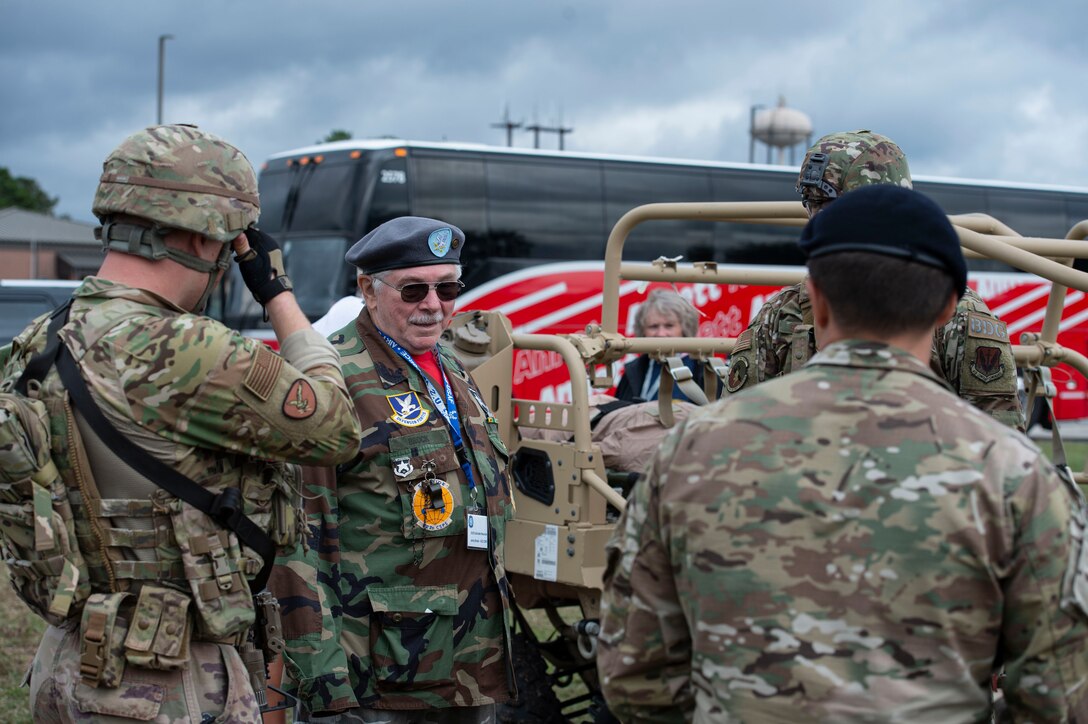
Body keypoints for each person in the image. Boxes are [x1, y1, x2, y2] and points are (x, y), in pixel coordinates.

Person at [597, 184, 1088, 721]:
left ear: (818, 298)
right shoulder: (1014, 473)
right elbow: (1060, 695)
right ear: (949, 305)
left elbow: (635, 675)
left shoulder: (691, 449)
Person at [0, 124, 363, 722]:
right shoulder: (188, 349)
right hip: (169, 679)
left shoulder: (38, 340)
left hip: (70, 660)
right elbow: (337, 426)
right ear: (201, 237)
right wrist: (276, 292)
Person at [272, 216, 515, 721]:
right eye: (413, 289)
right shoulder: (332, 380)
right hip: (376, 677)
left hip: (468, 661)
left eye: (448, 288)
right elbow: (296, 545)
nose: (434, 305)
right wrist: (325, 684)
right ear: (368, 289)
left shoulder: (449, 365)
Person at [726, 130, 1025, 431]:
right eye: (810, 203)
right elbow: (735, 426)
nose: (816, 218)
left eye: (828, 205)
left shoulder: (959, 317)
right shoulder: (782, 312)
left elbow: (997, 432)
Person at [615, 288, 709, 404]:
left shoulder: (703, 370)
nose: (661, 334)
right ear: (643, 331)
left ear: (685, 328)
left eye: (669, 326)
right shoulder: (633, 370)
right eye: (653, 326)